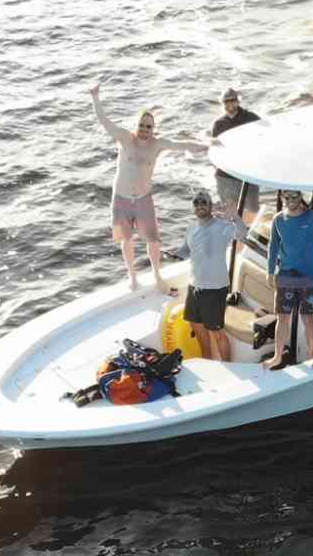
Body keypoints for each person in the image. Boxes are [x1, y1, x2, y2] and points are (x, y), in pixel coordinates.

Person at [89, 81, 204, 291]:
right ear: (137, 125)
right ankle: (132, 277)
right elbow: (105, 122)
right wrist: (95, 97)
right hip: (122, 198)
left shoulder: (157, 144)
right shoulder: (125, 138)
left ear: (154, 128)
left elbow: (180, 145)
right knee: (126, 239)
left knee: (154, 240)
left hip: (143, 198)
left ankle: (157, 275)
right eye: (142, 125)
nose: (144, 129)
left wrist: (203, 147)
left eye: (149, 126)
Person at [265, 189, 313, 368]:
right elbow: (273, 247)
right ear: (282, 198)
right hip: (285, 276)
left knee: (307, 319)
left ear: (301, 197)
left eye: (294, 196)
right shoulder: (278, 219)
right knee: (282, 318)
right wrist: (270, 271)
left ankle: (312, 353)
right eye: (287, 197)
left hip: (308, 278)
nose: (290, 200)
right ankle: (277, 356)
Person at [173, 192, 245, 361]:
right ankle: (207, 361)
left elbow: (242, 234)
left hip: (214, 289)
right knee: (196, 326)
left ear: (211, 206)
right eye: (196, 202)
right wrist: (175, 254)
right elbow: (186, 250)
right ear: (193, 208)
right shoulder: (191, 228)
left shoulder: (222, 226)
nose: (200, 205)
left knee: (216, 331)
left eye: (204, 202)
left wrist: (234, 217)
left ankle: (228, 366)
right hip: (194, 286)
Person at [211, 86, 260, 216]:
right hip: (225, 175)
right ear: (222, 104)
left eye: (233, 100)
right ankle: (233, 235)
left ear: (238, 101)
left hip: (248, 172)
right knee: (229, 212)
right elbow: (215, 149)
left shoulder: (251, 118)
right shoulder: (218, 124)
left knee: (252, 210)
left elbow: (264, 138)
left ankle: (248, 234)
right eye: (226, 101)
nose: (229, 103)